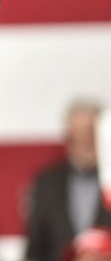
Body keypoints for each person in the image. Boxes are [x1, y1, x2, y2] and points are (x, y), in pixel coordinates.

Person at [25, 101, 111, 261]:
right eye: (77, 134)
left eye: (90, 133)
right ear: (67, 136)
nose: (85, 140)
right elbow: (35, 248)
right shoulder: (46, 183)